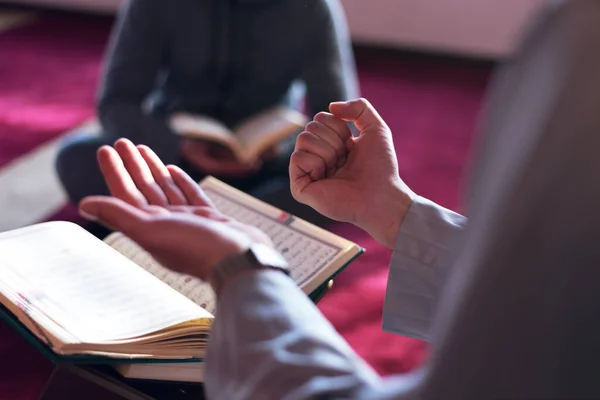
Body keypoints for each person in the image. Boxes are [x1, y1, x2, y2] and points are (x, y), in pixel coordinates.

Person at [78, 1, 600, 399]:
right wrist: (391, 207)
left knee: (308, 189)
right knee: (85, 158)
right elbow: (117, 102)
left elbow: (336, 111)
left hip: (269, 167)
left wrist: (239, 267)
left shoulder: (582, 46)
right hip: (179, 153)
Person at [55, 0, 358, 221]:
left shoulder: (314, 8)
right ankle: (242, 225)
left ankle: (182, 219)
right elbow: (117, 102)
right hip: (173, 163)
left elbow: (338, 120)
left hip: (267, 168)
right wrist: (178, 146)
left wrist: (282, 150)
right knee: (78, 159)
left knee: (336, 181)